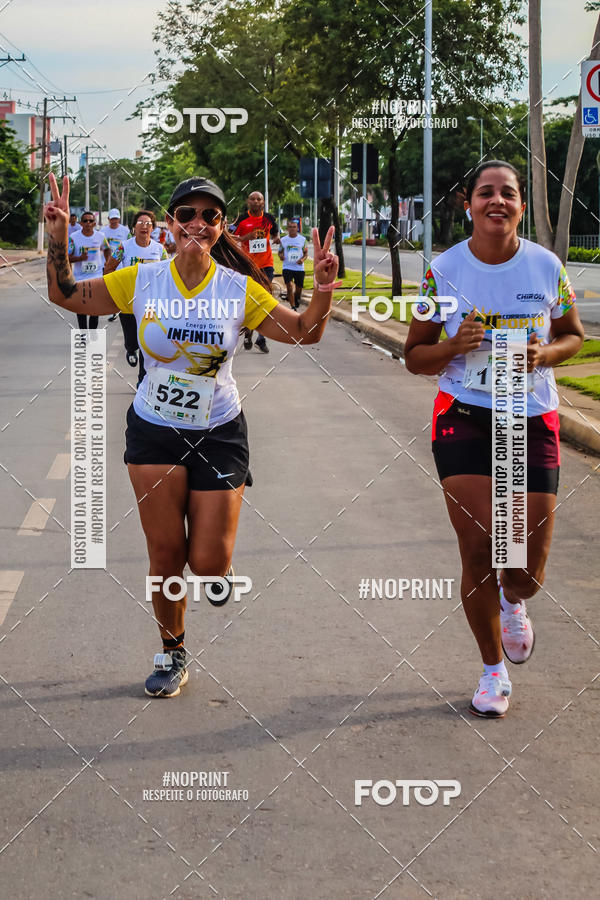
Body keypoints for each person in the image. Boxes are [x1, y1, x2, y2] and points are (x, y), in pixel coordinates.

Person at [44, 173, 339, 698]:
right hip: (154, 430)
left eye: (209, 216)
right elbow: (65, 295)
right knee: (165, 556)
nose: (197, 224)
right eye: (187, 214)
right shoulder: (142, 279)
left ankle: (217, 564)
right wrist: (59, 237)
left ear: (221, 226)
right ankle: (172, 652)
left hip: (218, 431)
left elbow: (304, 332)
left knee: (207, 562)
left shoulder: (236, 288)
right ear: (170, 222)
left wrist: (322, 290)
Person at [404, 160, 584, 719]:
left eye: (508, 193)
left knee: (524, 569)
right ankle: (491, 672)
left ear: (522, 206)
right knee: (480, 545)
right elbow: (414, 356)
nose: (497, 201)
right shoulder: (443, 271)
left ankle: (513, 601)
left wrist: (545, 354)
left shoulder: (546, 266)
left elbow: (574, 335)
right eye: (486, 193)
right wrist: (453, 346)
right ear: (468, 204)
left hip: (531, 416)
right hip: (465, 413)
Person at [104, 209, 168, 382]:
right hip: (129, 301)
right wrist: (116, 289)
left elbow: (168, 273)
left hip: (151, 303)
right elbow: (109, 268)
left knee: (147, 342)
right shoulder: (124, 247)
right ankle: (130, 349)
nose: (144, 226)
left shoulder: (159, 250)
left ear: (152, 228)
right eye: (140, 223)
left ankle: (142, 380)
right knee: (132, 340)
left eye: (148, 223)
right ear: (134, 227)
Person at [230, 191, 279, 353]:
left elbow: (275, 233)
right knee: (251, 300)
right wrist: (245, 237)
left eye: (259, 199)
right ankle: (248, 332)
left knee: (264, 298)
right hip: (248, 266)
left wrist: (276, 238)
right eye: (253, 199)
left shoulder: (269, 218)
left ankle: (261, 338)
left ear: (263, 202)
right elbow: (229, 236)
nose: (256, 201)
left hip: (266, 265)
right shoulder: (241, 219)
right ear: (248, 201)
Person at [67, 211, 111, 331]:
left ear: (94, 223)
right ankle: (83, 333)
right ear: (81, 223)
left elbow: (107, 249)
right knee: (81, 307)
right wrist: (79, 258)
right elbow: (67, 258)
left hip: (96, 277)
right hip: (80, 278)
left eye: (90, 221)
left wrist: (107, 262)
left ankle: (92, 333)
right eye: (85, 221)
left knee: (94, 308)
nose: (88, 223)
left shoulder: (100, 236)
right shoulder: (73, 237)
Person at [279, 219, 308, 309]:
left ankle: (295, 299)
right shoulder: (283, 240)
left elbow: (306, 254)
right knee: (289, 287)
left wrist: (302, 260)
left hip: (299, 268)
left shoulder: (302, 240)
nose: (292, 229)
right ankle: (293, 306)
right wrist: (281, 256)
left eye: (294, 227)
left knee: (298, 290)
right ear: (287, 228)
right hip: (287, 267)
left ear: (297, 228)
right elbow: (280, 252)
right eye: (290, 227)